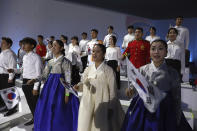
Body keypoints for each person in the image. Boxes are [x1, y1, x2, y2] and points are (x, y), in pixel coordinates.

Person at [122, 40, 192, 131]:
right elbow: (135, 84)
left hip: (164, 109)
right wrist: (130, 90)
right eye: (153, 49)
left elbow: (177, 97)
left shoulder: (172, 72)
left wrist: (177, 117)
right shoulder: (143, 69)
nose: (156, 52)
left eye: (160, 49)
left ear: (166, 52)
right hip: (143, 107)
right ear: (149, 52)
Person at [74, 44, 124, 131]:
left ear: (104, 54)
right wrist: (78, 86)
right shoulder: (88, 69)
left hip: (102, 104)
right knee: (85, 126)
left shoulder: (109, 70)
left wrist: (110, 107)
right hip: (87, 103)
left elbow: (113, 92)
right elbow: (83, 84)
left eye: (98, 51)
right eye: (93, 51)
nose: (94, 54)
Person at [34, 40, 79, 131]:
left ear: (61, 48)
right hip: (49, 87)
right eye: (52, 46)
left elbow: (68, 79)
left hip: (60, 88)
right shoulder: (50, 61)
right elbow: (44, 76)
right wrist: (35, 80)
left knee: (58, 109)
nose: (53, 48)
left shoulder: (65, 62)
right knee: (48, 107)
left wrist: (67, 95)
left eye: (55, 45)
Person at [18, 37, 43, 126]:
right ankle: (35, 118)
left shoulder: (36, 57)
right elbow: (22, 69)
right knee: (30, 102)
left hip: (32, 83)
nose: (23, 46)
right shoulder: (25, 57)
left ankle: (39, 122)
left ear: (32, 45)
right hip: (25, 82)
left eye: (25, 44)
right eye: (23, 44)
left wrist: (36, 87)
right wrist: (13, 70)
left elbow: (39, 75)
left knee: (35, 104)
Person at [0, 37, 17, 116]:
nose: (1, 44)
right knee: (3, 92)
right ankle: (7, 106)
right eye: (1, 42)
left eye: (3, 43)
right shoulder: (2, 52)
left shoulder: (10, 53)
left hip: (7, 76)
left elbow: (12, 67)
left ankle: (13, 109)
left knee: (10, 93)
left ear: (9, 44)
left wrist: (10, 77)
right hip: (2, 75)